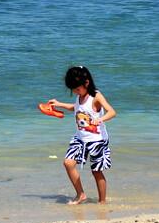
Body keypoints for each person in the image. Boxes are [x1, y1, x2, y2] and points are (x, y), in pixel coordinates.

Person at [46, 65, 117, 205]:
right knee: (68, 163)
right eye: (73, 90)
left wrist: (100, 119)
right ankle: (81, 195)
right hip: (80, 138)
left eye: (77, 89)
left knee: (96, 172)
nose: (75, 92)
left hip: (97, 140)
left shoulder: (96, 96)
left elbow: (112, 112)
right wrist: (59, 104)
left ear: (86, 83)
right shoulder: (80, 96)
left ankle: (102, 202)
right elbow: (76, 108)